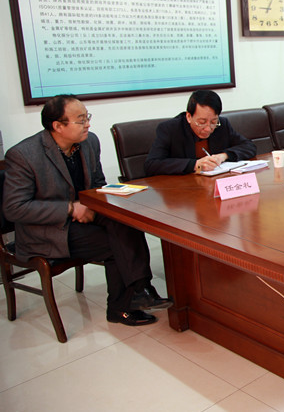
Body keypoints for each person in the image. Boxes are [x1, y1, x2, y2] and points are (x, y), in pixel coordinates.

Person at [3, 95, 171, 326]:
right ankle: (125, 304)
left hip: (84, 214)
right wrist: (70, 209)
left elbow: (97, 183)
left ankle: (141, 290)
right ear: (58, 126)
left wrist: (112, 196)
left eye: (87, 117)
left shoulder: (89, 142)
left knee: (126, 223)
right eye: (81, 120)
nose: (88, 125)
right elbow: (14, 208)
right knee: (115, 243)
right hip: (46, 231)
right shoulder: (24, 155)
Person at [145, 90, 257, 176]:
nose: (208, 128)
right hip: (183, 191)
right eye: (202, 122)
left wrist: (223, 156)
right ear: (189, 116)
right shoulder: (170, 129)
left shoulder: (222, 124)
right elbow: (151, 165)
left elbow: (249, 146)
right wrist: (195, 165)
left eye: (213, 122)